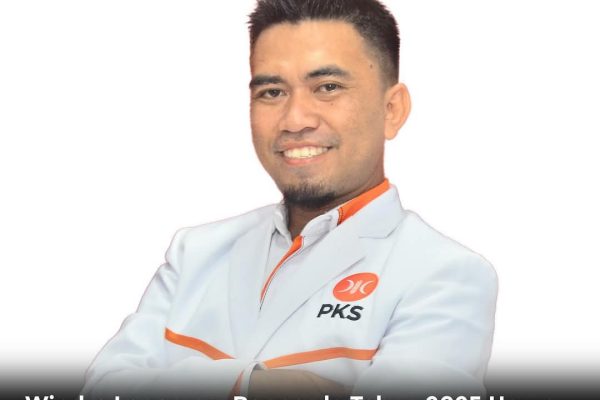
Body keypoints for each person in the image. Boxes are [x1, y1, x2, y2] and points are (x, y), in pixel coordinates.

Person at [83, 0, 498, 398]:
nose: (295, 120)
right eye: (272, 92)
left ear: (392, 110)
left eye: (328, 87)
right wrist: (252, 385)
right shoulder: (195, 252)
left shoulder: (445, 276)